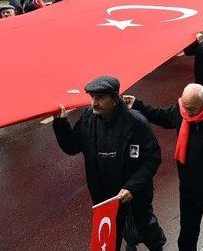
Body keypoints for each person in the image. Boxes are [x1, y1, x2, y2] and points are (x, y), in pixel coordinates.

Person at [125, 84, 203, 251]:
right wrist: (137, 105)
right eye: (185, 107)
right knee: (187, 231)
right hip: (189, 186)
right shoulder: (182, 110)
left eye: (192, 109)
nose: (187, 113)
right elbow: (161, 116)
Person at [53, 76, 166, 250]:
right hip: (105, 199)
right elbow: (72, 147)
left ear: (114, 99)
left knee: (146, 228)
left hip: (133, 196)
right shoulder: (88, 119)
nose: (93, 103)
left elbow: (152, 158)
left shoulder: (137, 123)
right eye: (92, 97)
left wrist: (132, 187)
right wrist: (60, 124)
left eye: (99, 98)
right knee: (110, 240)